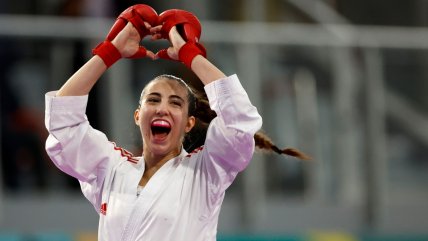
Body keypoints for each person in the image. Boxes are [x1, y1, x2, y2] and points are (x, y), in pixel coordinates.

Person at [44, 5, 309, 241]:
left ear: (189, 123)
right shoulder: (110, 169)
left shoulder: (206, 172)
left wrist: (190, 54)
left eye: (175, 103)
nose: (162, 108)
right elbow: (63, 123)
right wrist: (110, 51)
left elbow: (240, 121)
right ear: (138, 116)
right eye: (154, 100)